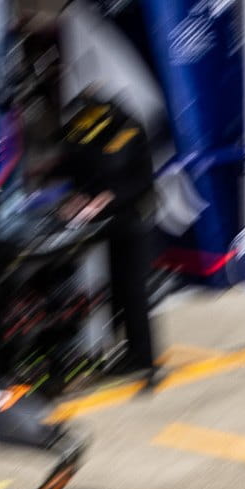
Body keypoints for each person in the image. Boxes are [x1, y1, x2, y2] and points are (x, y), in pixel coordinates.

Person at [58, 90, 163, 387]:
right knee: (116, 290)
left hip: (134, 219)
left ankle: (146, 361)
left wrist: (107, 197)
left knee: (133, 292)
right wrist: (80, 197)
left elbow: (139, 181)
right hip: (109, 223)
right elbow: (82, 169)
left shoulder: (127, 130)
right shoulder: (84, 132)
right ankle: (127, 353)